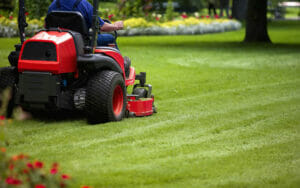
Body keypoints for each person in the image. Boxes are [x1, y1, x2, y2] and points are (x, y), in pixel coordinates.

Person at [48, 0, 123, 49]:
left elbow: (48, 26)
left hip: (60, 43)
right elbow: (102, 27)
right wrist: (116, 26)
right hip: (82, 43)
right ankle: (121, 66)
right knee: (110, 37)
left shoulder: (53, 5)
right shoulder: (83, 4)